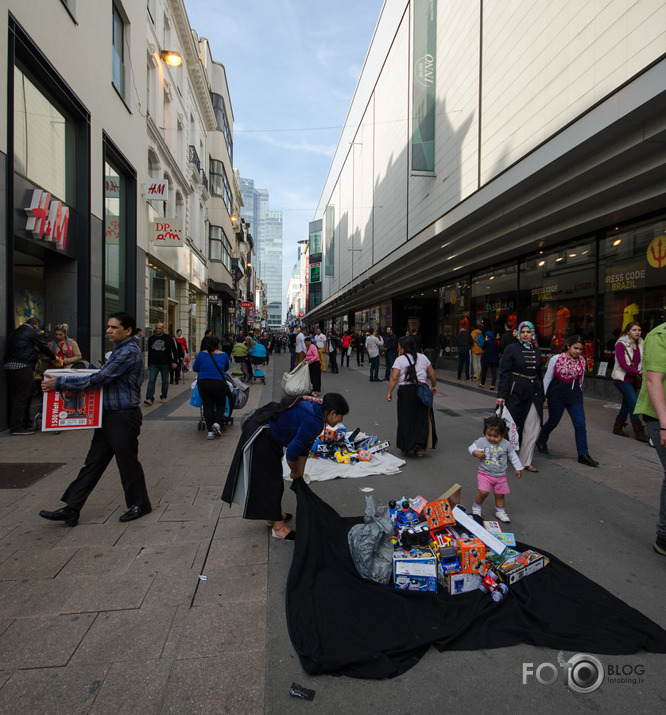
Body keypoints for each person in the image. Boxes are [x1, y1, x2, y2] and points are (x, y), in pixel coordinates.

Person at [39, 312, 152, 525]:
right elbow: (102, 375)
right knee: (93, 463)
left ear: (127, 331)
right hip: (109, 415)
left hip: (123, 416)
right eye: (108, 326)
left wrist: (61, 383)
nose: (108, 330)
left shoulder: (128, 351)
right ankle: (72, 507)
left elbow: (101, 378)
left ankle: (140, 504)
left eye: (114, 327)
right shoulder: (119, 350)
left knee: (127, 462)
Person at [222, 393, 350, 540]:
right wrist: (294, 471)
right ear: (332, 413)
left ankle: (273, 514)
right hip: (263, 435)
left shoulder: (317, 411)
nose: (341, 421)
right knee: (273, 482)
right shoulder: (313, 422)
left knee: (271, 479)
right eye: (341, 416)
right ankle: (277, 527)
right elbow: (292, 453)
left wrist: (299, 473)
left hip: (269, 432)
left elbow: (305, 447)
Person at [536, 335, 599, 467]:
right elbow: (547, 378)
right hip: (557, 395)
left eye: (580, 349)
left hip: (574, 397)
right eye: (575, 348)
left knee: (580, 424)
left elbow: (581, 379)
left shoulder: (582, 361)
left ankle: (583, 454)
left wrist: (579, 392)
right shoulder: (556, 359)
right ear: (568, 346)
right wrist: (543, 396)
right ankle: (541, 440)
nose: (578, 351)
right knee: (553, 421)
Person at [634, 321, 666, 555]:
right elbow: (653, 380)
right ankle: (663, 536)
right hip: (659, 415)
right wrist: (664, 425)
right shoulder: (659, 335)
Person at [496, 321, 544, 473]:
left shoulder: (536, 350)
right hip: (516, 390)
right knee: (510, 426)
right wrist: (501, 395)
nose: (525, 335)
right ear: (518, 333)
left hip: (534, 392)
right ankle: (498, 455)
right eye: (522, 331)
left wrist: (543, 395)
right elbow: (505, 373)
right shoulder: (511, 349)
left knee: (532, 426)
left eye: (528, 332)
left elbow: (539, 374)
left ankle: (526, 460)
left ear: (532, 334)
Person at [3, 317, 57, 435]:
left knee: (17, 396)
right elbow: (43, 346)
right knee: (23, 396)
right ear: (36, 325)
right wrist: (54, 357)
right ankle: (17, 427)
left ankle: (24, 422)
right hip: (22, 366)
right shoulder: (31, 332)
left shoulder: (16, 331)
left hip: (9, 365)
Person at [386, 336, 438, 457]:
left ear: (403, 348)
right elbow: (432, 374)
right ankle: (419, 447)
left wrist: (389, 392)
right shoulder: (424, 357)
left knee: (406, 419)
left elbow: (394, 378)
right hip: (421, 391)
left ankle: (408, 446)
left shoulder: (400, 360)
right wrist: (434, 386)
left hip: (406, 392)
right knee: (421, 419)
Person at [469, 415, 523, 523]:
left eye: (496, 436)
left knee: (500, 494)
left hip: (500, 475)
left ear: (502, 434)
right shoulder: (482, 441)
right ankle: (476, 507)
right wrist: (475, 453)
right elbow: (471, 447)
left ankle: (500, 511)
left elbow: (513, 456)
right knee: (483, 492)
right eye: (489, 435)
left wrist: (518, 468)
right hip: (485, 473)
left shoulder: (506, 444)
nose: (492, 438)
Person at [611, 322, 649, 442]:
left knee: (627, 404)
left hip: (634, 379)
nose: (637, 332)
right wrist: (637, 372)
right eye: (634, 330)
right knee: (634, 403)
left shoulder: (642, 344)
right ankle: (639, 432)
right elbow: (622, 364)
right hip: (622, 379)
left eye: (639, 330)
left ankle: (617, 428)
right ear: (628, 332)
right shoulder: (620, 344)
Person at [193, 336, 232, 440]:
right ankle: (217, 423)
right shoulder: (223, 355)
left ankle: (210, 431)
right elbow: (226, 368)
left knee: (207, 405)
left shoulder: (201, 354)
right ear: (218, 345)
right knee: (220, 404)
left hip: (203, 383)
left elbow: (195, 368)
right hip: (218, 383)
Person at [144, 323, 178, 405]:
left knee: (165, 381)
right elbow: (150, 352)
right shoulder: (151, 339)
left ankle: (163, 396)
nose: (158, 330)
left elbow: (174, 350)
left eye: (159, 328)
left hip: (165, 363)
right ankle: (149, 398)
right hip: (154, 363)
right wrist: (148, 363)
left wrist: (174, 361)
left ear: (163, 329)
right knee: (151, 380)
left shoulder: (168, 338)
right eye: (156, 328)